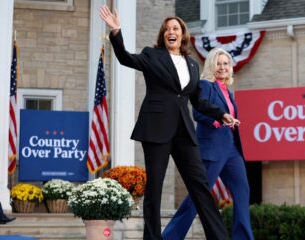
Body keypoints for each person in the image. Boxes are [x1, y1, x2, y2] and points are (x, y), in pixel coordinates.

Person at [99, 6, 238, 240]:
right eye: (167, 29)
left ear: (183, 34)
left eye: (175, 28)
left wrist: (220, 114)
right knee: (154, 190)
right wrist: (116, 31)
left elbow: (198, 101)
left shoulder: (192, 64)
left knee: (201, 186)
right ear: (163, 35)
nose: (170, 31)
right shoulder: (152, 56)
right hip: (156, 129)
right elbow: (125, 58)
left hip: (183, 131)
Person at [162, 48, 254, 240]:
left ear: (230, 68)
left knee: (242, 190)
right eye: (218, 63)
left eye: (226, 64)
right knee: (198, 196)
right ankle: (169, 237)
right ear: (212, 65)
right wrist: (219, 119)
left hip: (231, 149)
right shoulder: (205, 85)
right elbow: (198, 112)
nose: (222, 67)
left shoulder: (227, 91)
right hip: (211, 148)